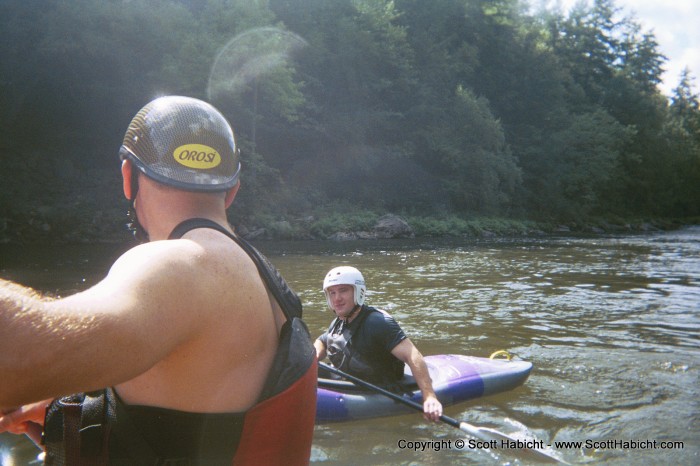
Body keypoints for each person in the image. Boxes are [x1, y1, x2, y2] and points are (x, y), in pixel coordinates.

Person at [0, 96, 317, 465]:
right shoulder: (261, 278)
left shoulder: (178, 266)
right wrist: (83, 410)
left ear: (127, 177)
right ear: (231, 192)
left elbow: (13, 356)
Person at [314, 266, 443, 422]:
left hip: (381, 387)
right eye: (332, 293)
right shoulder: (338, 322)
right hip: (351, 381)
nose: (337, 298)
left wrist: (429, 396)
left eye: (343, 291)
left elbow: (412, 354)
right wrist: (313, 357)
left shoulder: (377, 323)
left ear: (358, 292)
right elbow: (323, 340)